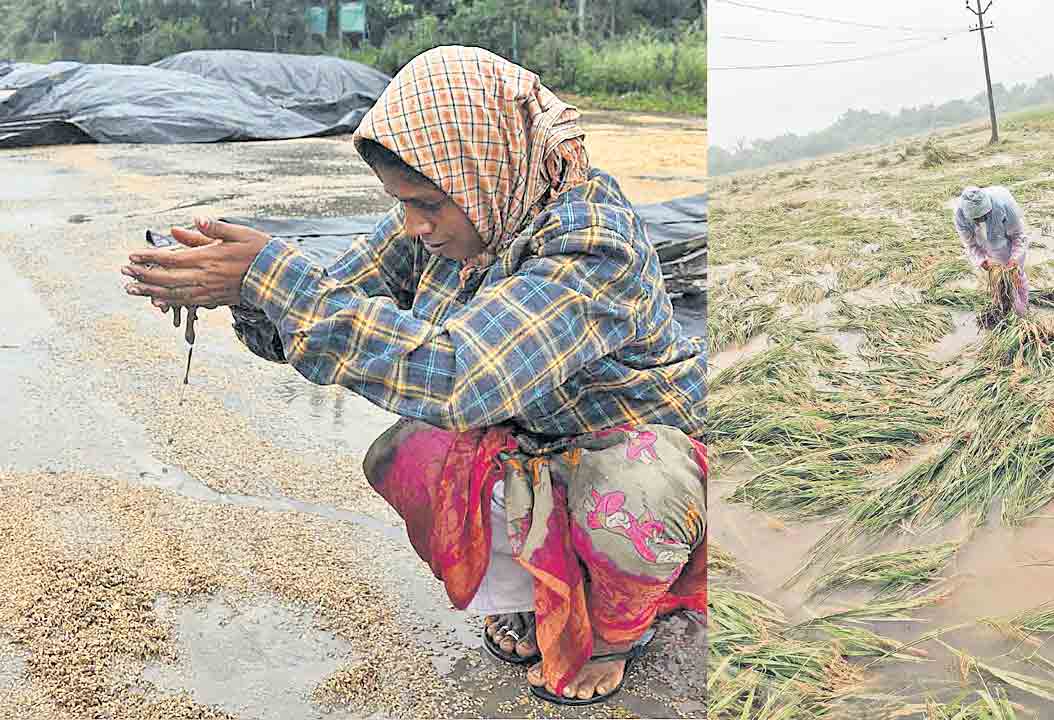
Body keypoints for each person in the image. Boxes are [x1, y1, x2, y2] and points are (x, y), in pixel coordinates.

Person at [120, 46, 707, 706]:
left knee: (628, 498)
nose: (414, 226)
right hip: (528, 437)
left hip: (627, 447)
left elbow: (461, 375)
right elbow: (333, 293)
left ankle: (615, 634)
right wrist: (245, 292)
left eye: (426, 203)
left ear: (485, 164)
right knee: (405, 455)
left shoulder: (594, 242)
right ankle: (531, 591)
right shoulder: (469, 207)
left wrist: (273, 276)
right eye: (401, 203)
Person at [954, 185, 1029, 316]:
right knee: (997, 278)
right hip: (983, 241)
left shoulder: (1004, 205)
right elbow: (970, 244)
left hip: (1006, 231)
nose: (980, 220)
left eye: (983, 216)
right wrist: (982, 260)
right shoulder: (960, 214)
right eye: (976, 219)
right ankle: (1002, 308)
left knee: (1015, 275)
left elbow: (1018, 236)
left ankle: (1022, 310)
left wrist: (1014, 260)